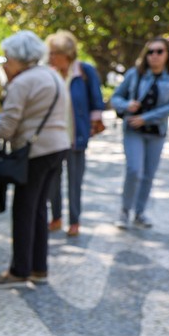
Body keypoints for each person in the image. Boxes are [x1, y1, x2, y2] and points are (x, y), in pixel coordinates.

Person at [0, 31, 70, 289]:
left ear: (18, 58)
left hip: (35, 151)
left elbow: (5, 129)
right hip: (57, 147)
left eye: (8, 58)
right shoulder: (51, 75)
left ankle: (19, 270)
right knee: (38, 208)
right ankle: (38, 267)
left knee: (25, 209)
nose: (5, 63)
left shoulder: (23, 82)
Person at [110, 38, 169, 229]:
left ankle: (139, 213)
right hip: (133, 130)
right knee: (134, 170)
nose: (155, 56)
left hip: (156, 131)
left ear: (167, 54)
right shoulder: (135, 74)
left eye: (159, 51)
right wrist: (127, 105)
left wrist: (147, 118)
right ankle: (124, 211)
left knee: (148, 174)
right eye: (151, 52)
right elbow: (115, 97)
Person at [45, 31, 106, 237]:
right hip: (53, 138)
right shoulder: (49, 72)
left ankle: (74, 220)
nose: (50, 57)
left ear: (67, 54)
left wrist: (93, 125)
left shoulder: (85, 71)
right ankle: (56, 217)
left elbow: (96, 102)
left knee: (75, 181)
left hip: (75, 135)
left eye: (55, 53)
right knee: (53, 179)